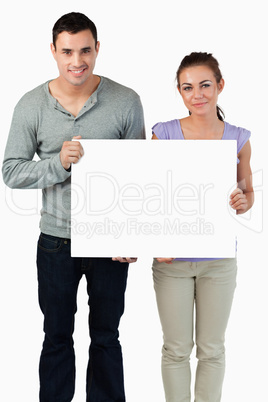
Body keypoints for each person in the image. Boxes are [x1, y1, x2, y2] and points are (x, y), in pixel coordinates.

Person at [2, 12, 145, 402]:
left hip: (109, 242)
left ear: (97, 49)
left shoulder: (126, 101)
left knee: (106, 337)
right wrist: (58, 164)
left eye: (85, 50)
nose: (76, 61)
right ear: (53, 51)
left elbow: (140, 176)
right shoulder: (31, 104)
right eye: (67, 51)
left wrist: (132, 234)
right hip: (56, 242)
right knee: (56, 338)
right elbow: (11, 171)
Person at [151, 52, 254, 401]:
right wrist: (154, 242)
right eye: (188, 87)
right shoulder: (164, 134)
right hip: (172, 264)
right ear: (179, 92)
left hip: (219, 262)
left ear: (220, 86)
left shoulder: (238, 138)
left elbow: (248, 192)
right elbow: (148, 196)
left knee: (212, 348)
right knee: (176, 349)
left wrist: (243, 200)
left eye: (205, 85)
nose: (198, 94)